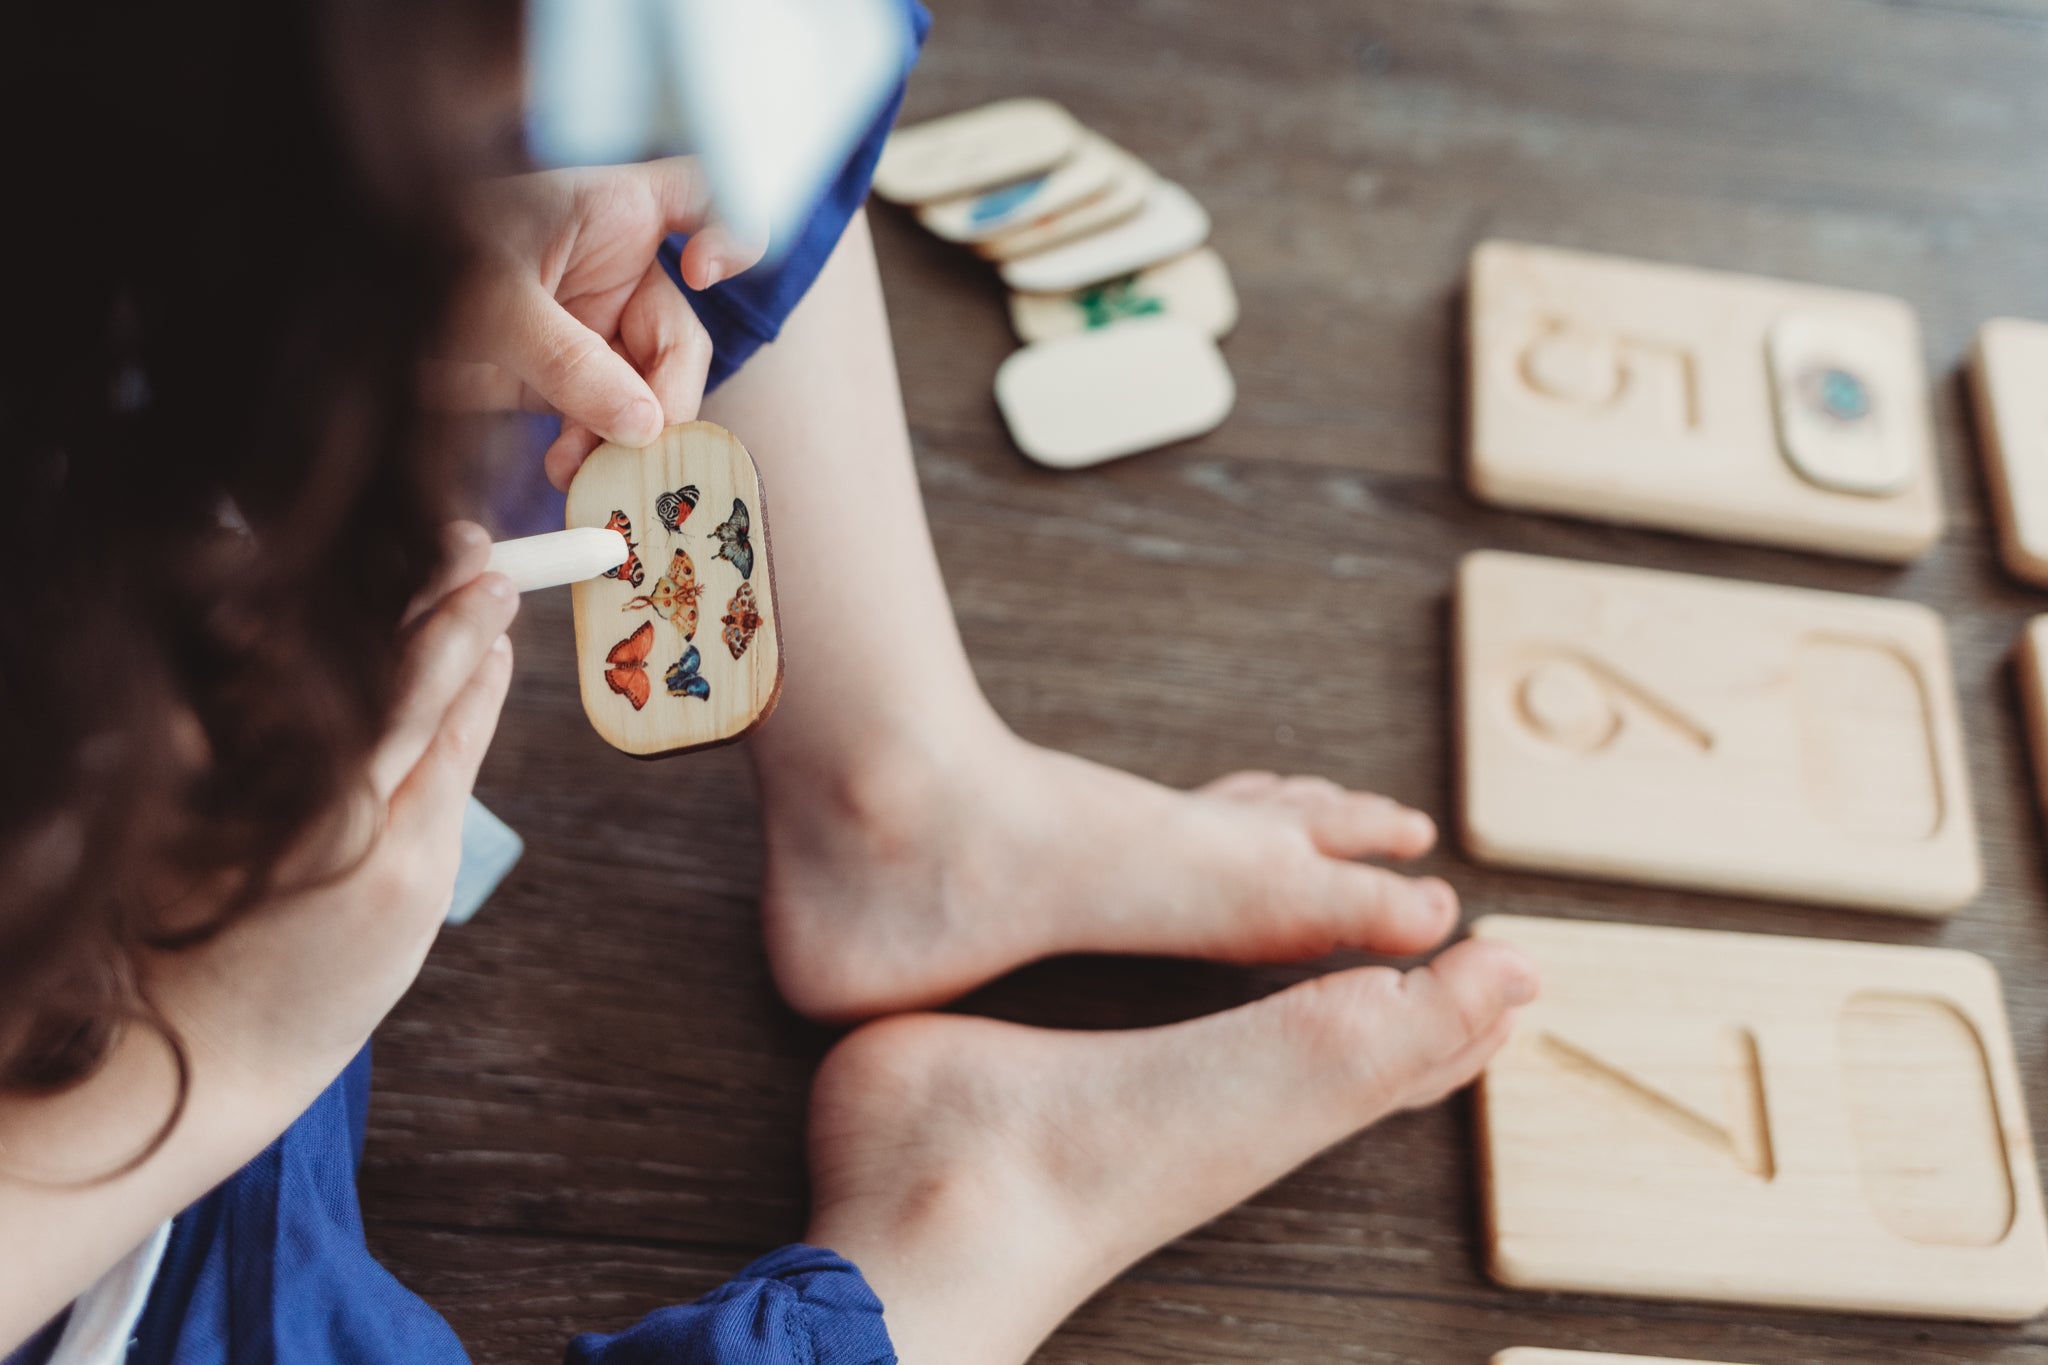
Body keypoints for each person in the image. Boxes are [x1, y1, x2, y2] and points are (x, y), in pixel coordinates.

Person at [0, 2, 1538, 1362]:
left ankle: (902, 794)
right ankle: (957, 1239)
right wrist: (212, 1061)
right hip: (94, 1156)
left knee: (671, 133)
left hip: (165, 754)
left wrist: (375, 273)